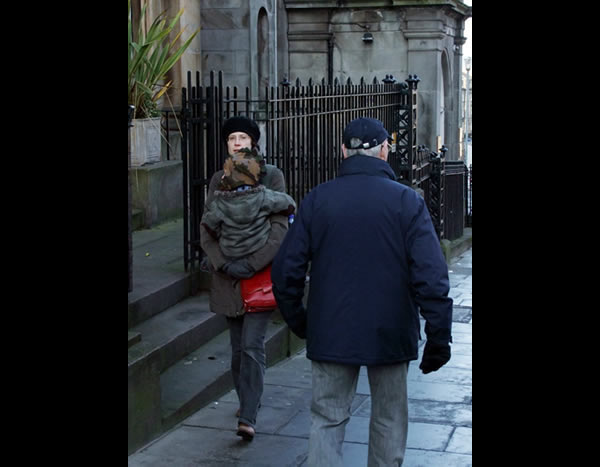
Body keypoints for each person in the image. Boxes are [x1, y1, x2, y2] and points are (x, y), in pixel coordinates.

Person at [271, 117, 453, 466]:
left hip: (331, 326)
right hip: (391, 328)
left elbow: (286, 271)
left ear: (343, 151)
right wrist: (438, 336)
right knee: (388, 418)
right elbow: (431, 275)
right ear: (385, 150)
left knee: (327, 419)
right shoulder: (406, 202)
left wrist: (301, 321)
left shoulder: (318, 199)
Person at [200, 116, 291, 442]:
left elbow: (280, 231)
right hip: (228, 278)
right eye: (232, 138)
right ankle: (246, 400)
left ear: (253, 142)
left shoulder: (271, 177)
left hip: (260, 275)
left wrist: (251, 264)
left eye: (243, 137)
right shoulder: (217, 180)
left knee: (252, 345)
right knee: (237, 347)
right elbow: (207, 230)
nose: (237, 142)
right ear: (226, 145)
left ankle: (249, 415)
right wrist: (224, 264)